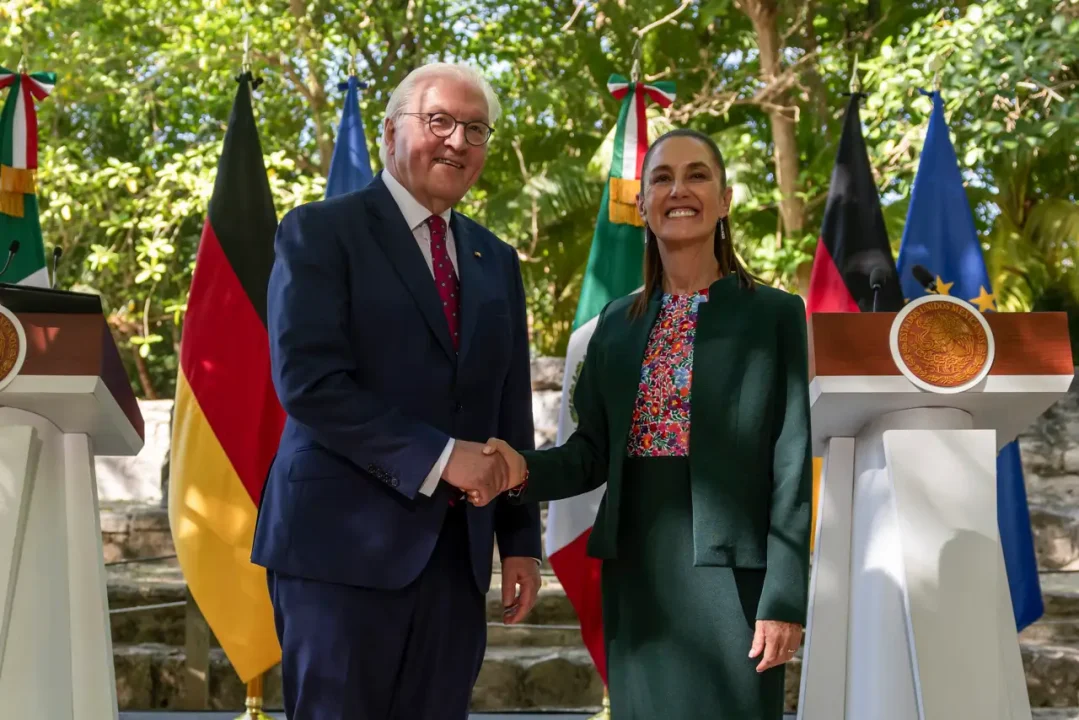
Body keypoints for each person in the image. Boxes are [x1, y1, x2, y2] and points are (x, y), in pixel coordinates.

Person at [479, 128, 812, 720]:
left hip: (735, 582)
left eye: (697, 175)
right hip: (637, 575)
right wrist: (518, 469)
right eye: (662, 178)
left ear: (725, 199)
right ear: (643, 204)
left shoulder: (776, 316)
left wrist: (783, 597)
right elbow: (590, 453)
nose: (678, 190)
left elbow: (791, 463)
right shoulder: (615, 324)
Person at [251, 62, 543, 720]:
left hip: (456, 561)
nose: (458, 141)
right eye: (439, 121)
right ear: (389, 133)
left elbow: (508, 408)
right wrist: (441, 457)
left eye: (475, 129)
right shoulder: (319, 232)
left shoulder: (495, 259)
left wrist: (520, 540)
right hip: (338, 552)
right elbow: (309, 383)